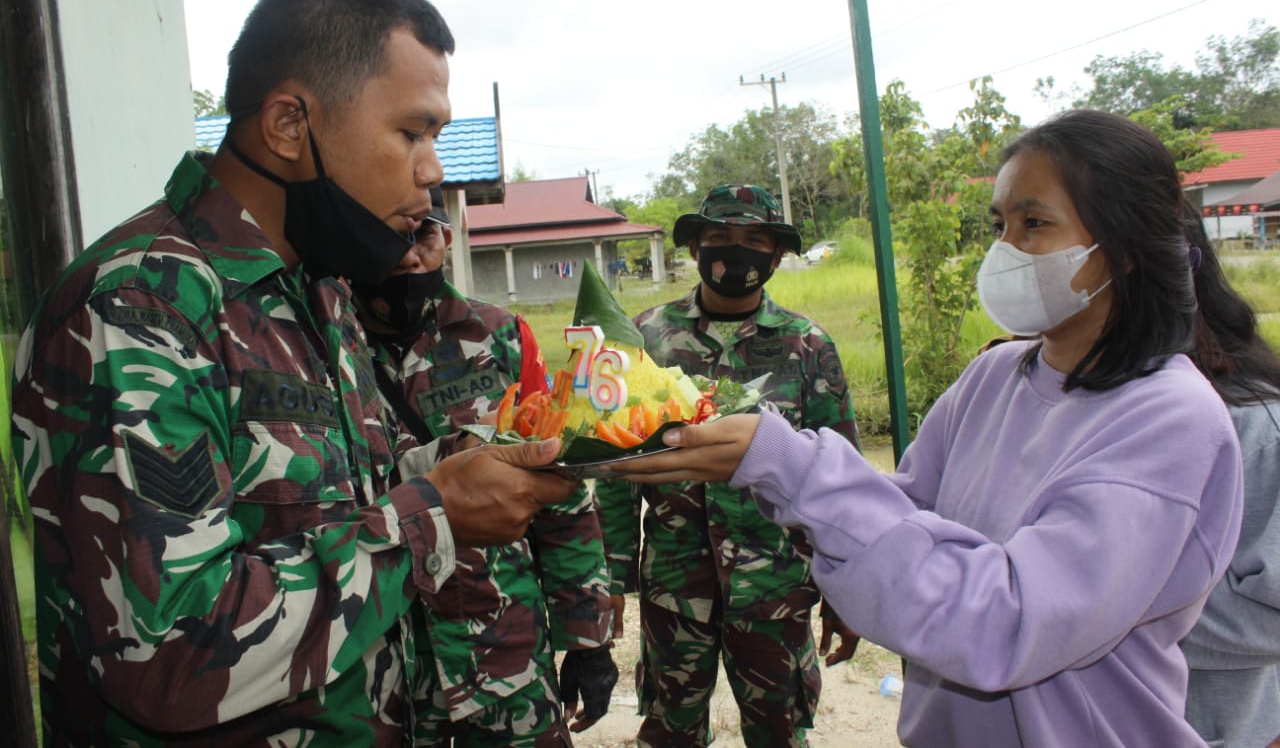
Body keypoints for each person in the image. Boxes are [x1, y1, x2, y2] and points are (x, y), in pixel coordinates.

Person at [10, 0, 575, 746]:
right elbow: (170, 650)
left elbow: (326, 504)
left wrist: (458, 466)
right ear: (287, 125)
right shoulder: (138, 306)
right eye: (412, 131)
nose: (434, 169)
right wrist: (434, 517)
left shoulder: (319, 291)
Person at [606, 111, 1246, 747]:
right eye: (999, 225)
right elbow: (901, 516)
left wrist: (788, 463)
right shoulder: (996, 376)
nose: (1004, 249)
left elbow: (1004, 625)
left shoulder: (1167, 419)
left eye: (1034, 224)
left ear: (1125, 248)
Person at [594, 185, 861, 747]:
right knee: (670, 727)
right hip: (675, 583)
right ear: (695, 249)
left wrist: (845, 589)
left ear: (776, 255)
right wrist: (612, 577)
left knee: (779, 730)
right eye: (719, 238)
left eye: (752, 240)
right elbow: (615, 469)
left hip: (775, 584)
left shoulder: (807, 344)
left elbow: (839, 477)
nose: (734, 252)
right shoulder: (643, 339)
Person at [352, 188, 617, 747]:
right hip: (379, 670)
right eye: (388, 239)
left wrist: (587, 635)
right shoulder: (325, 347)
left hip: (502, 648)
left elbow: (559, 481)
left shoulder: (500, 337)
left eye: (422, 236)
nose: (409, 258)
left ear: (446, 238)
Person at [1177, 201, 1280, 747]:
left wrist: (1112, 607)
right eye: (1002, 227)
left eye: (1038, 226)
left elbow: (1271, 616)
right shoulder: (1024, 395)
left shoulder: (1256, 425)